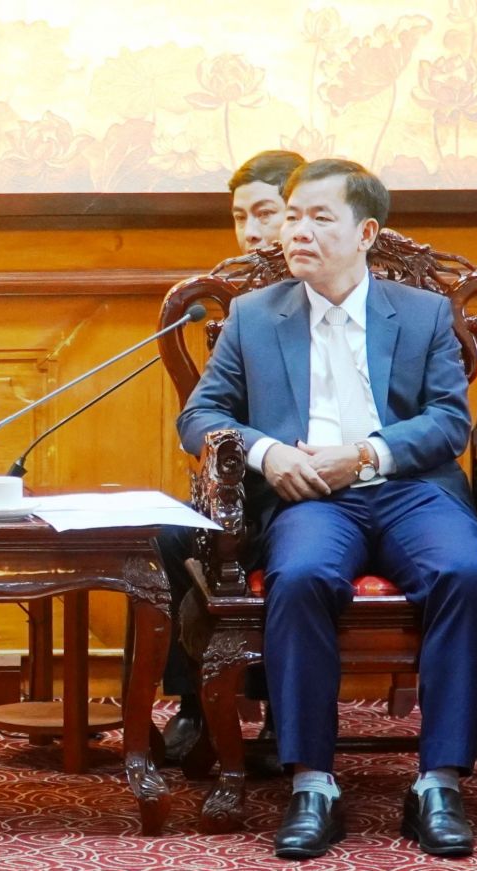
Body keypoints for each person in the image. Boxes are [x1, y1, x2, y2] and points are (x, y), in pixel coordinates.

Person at [177, 158, 477, 860]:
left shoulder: (422, 313)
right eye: (293, 216)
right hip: (310, 498)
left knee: (464, 571)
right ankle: (312, 783)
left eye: (321, 218)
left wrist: (365, 454)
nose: (298, 231)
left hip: (410, 488)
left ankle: (438, 783)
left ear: (366, 233)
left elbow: (449, 421)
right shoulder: (254, 317)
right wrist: (268, 455)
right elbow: (200, 417)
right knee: (298, 578)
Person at [160, 150, 306, 764]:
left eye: (265, 213)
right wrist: (259, 454)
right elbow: (201, 416)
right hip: (247, 480)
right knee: (170, 535)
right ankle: (194, 704)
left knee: (281, 545)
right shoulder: (243, 311)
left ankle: (281, 716)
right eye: (240, 217)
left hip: (333, 485)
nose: (251, 232)